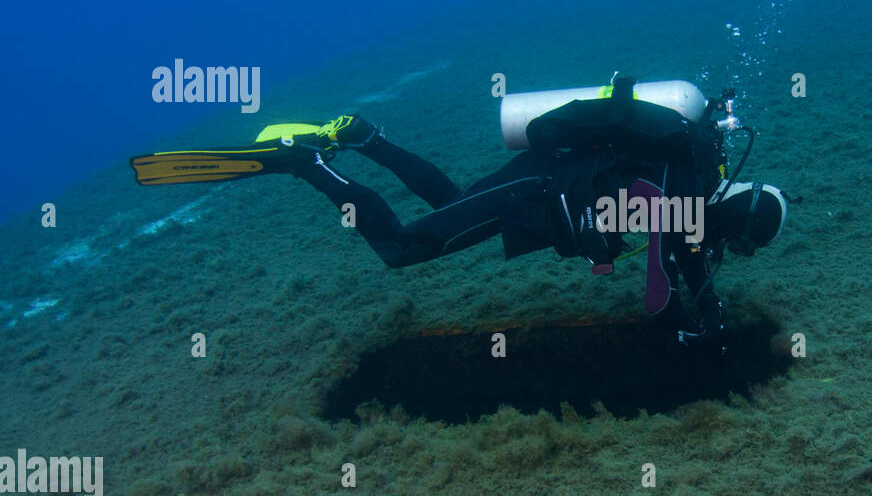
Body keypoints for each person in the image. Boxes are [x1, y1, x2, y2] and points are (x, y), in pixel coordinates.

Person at [131, 77, 789, 353]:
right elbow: (682, 259)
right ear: (739, 220)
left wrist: (707, 312)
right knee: (404, 248)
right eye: (746, 241)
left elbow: (682, 255)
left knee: (450, 206)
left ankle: (362, 136)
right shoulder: (691, 185)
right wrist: (709, 319)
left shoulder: (694, 174)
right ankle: (304, 162)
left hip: (538, 187)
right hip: (533, 190)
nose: (739, 248)